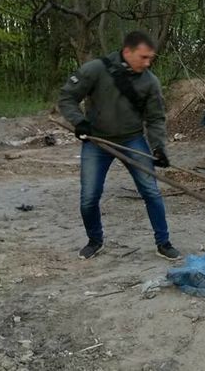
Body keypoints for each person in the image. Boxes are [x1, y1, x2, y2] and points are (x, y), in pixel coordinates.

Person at [58, 31, 181, 260]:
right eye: (143, 57)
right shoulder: (95, 69)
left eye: (150, 58)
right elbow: (67, 97)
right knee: (89, 196)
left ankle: (163, 242)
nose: (147, 63)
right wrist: (80, 122)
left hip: (132, 140)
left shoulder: (150, 82)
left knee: (152, 192)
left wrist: (158, 149)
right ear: (127, 52)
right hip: (97, 140)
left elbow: (155, 119)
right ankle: (95, 240)